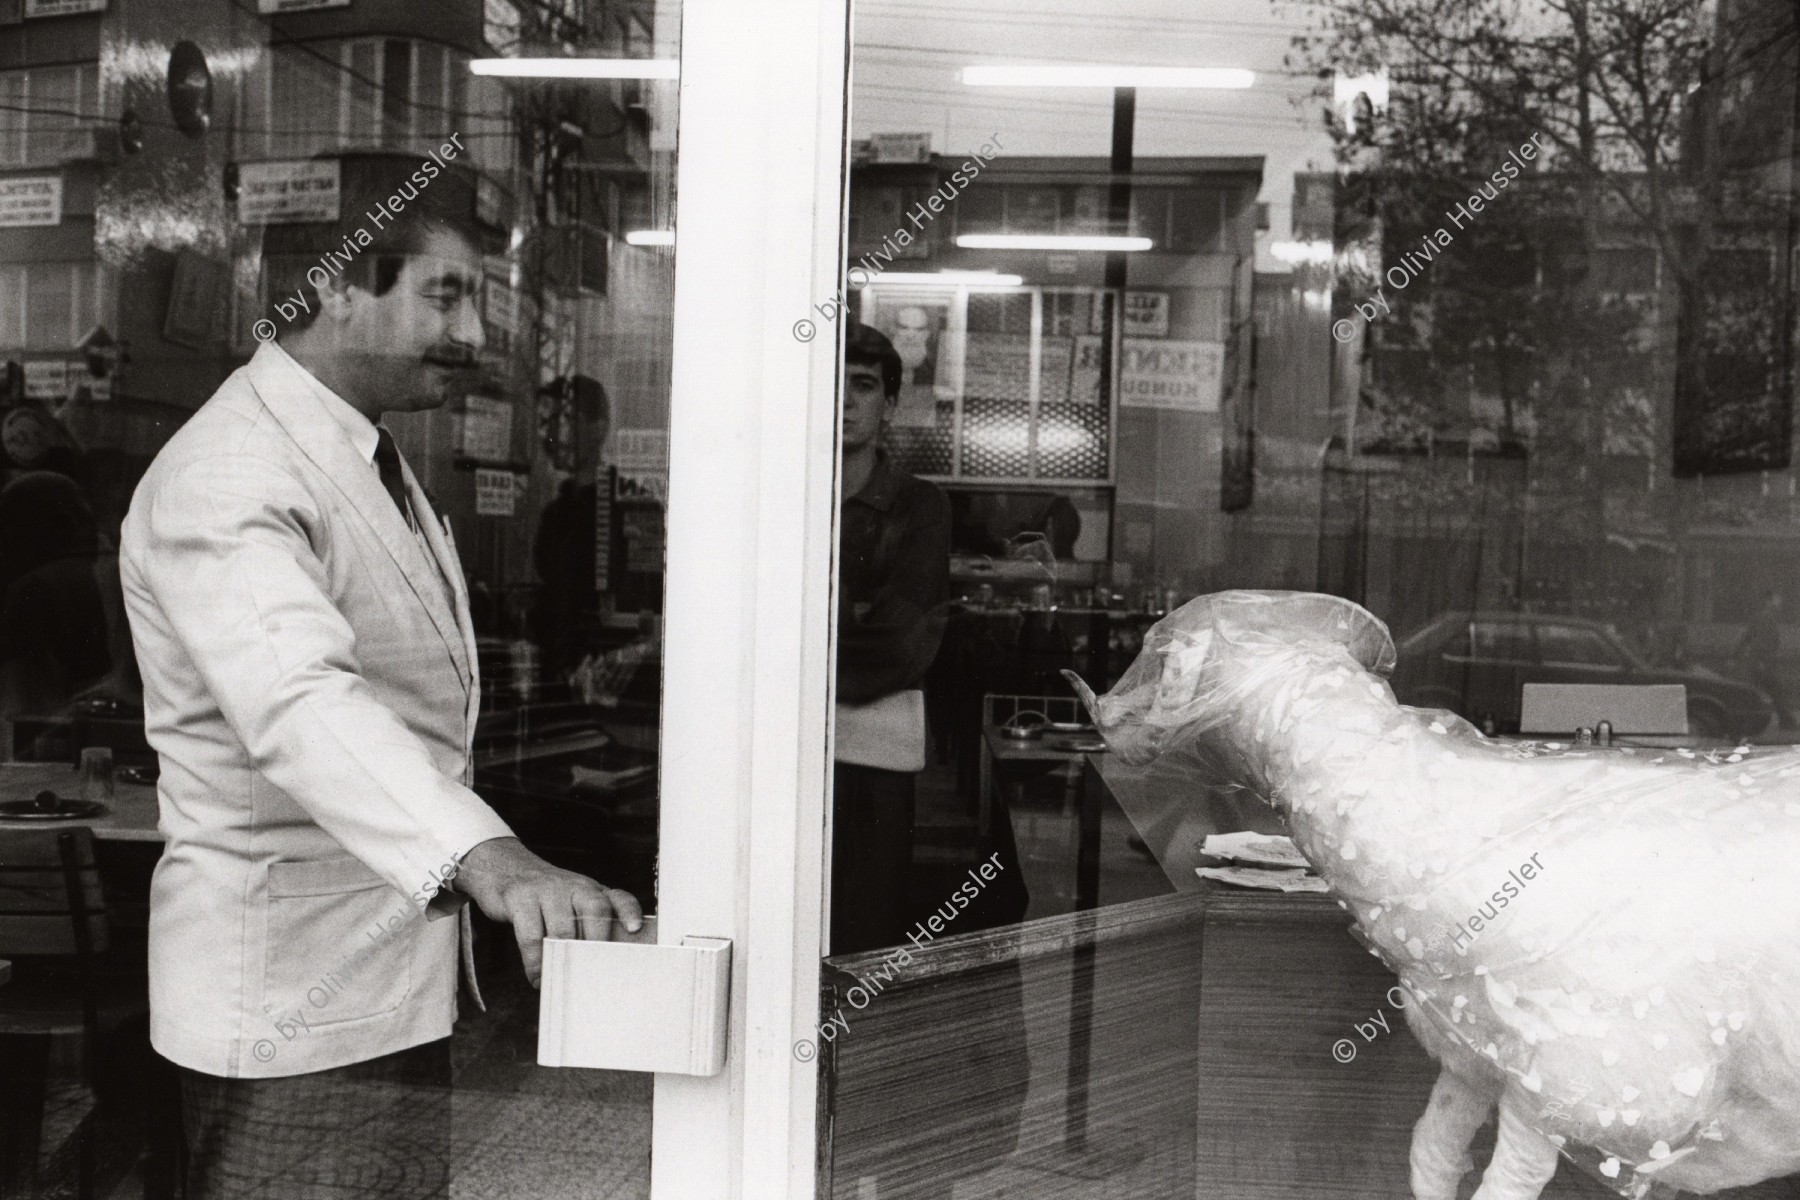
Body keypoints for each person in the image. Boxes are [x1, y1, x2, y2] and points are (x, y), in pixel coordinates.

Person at [118, 152, 642, 1199]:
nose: (474, 337)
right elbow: (299, 704)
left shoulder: (365, 457)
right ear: (337, 286)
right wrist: (495, 859)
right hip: (289, 997)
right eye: (446, 295)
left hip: (383, 972)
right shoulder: (229, 473)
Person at [832, 322, 950, 955]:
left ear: (891, 404)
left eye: (864, 385)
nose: (845, 401)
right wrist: (856, 617)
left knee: (864, 938)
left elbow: (903, 647)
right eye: (831, 383)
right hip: (779, 765)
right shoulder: (778, 500)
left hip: (874, 770)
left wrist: (792, 669)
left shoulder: (919, 507)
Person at [1736, 590, 1790, 727]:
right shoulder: (1764, 619)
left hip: (1761, 662)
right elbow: (1757, 642)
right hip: (1762, 663)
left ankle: (1784, 721)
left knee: (1762, 692)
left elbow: (1746, 638)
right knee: (1774, 691)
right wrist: (1761, 661)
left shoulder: (1765, 618)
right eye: (1777, 600)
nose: (1780, 603)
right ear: (1768, 601)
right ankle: (1786, 721)